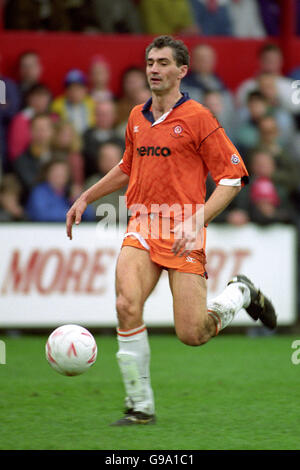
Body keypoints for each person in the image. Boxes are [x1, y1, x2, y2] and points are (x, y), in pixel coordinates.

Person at [66, 35, 277, 426]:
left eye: (163, 62)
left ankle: (238, 293)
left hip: (185, 231)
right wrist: (86, 197)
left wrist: (198, 219)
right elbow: (128, 166)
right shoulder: (135, 117)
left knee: (192, 333)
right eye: (150, 62)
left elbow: (233, 177)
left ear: (182, 71)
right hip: (142, 226)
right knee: (126, 305)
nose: (154, 69)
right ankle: (139, 406)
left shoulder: (198, 118)